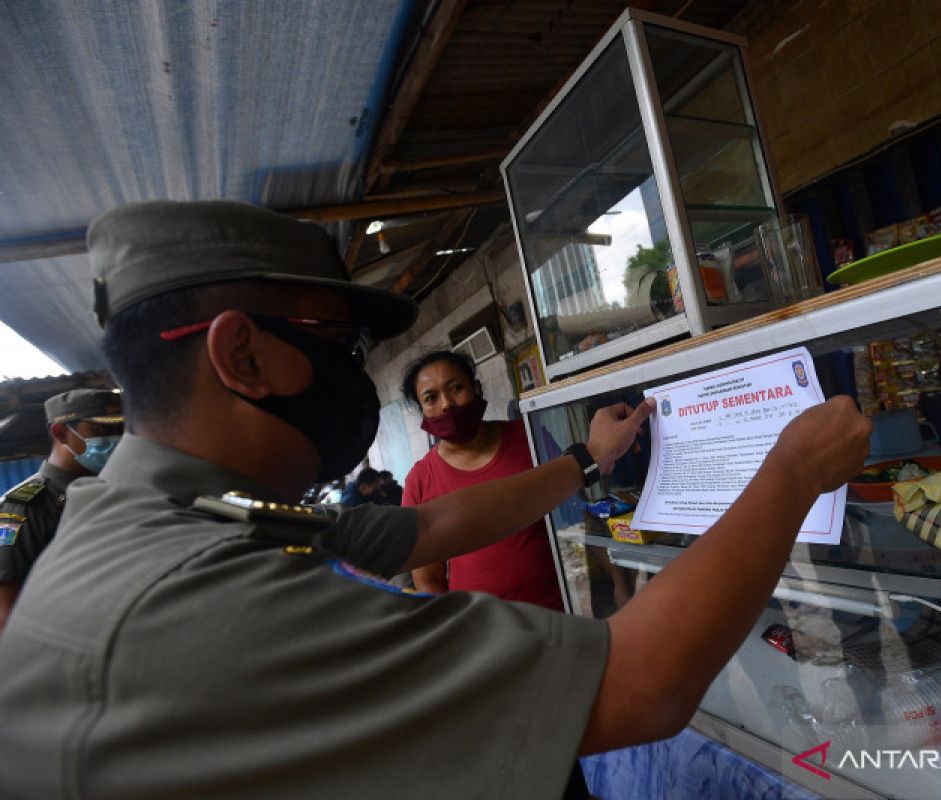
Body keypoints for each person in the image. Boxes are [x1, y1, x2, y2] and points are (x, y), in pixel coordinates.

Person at [0, 200, 870, 798]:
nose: (358, 374)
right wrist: (789, 474)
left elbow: (425, 526)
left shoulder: (187, 510)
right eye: (337, 341)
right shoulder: (196, 591)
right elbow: (641, 685)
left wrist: (583, 462)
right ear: (243, 356)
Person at [404, 350, 562, 610]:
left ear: (476, 388)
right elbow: (429, 581)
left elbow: (578, 513)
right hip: (484, 630)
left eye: (456, 388)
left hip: (562, 608)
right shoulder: (420, 481)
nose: (446, 404)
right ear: (422, 409)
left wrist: (617, 582)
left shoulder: (529, 438)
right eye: (431, 398)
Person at [0, 388, 123, 632]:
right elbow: (5, 610)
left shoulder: (117, 492)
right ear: (61, 433)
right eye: (100, 431)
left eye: (120, 431)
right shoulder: (26, 506)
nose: (115, 440)